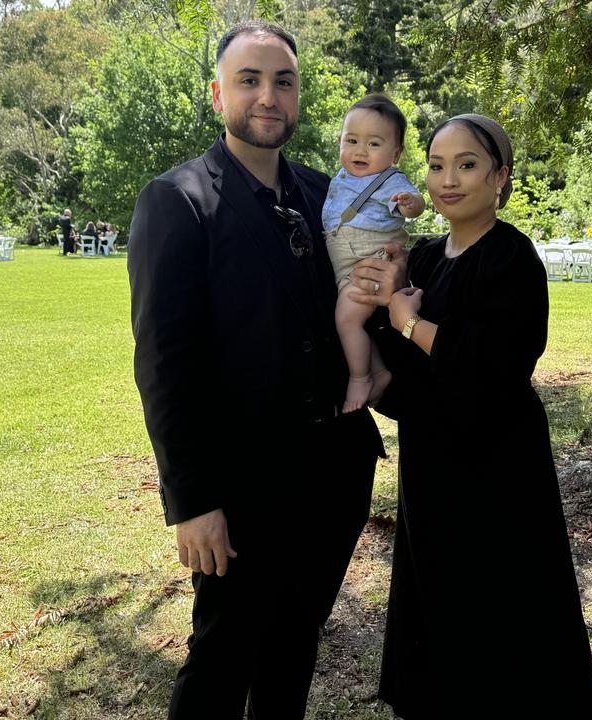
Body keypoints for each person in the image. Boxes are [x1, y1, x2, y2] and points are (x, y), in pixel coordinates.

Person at [127, 21, 391, 718]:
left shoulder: (326, 192)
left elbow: (367, 295)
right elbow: (165, 363)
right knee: (223, 652)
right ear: (219, 95)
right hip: (240, 487)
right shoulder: (179, 201)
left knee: (295, 643)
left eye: (283, 81)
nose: (268, 95)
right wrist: (191, 502)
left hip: (335, 471)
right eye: (250, 80)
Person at [368, 114, 592, 718]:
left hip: (497, 463)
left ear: (499, 177)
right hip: (433, 456)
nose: (449, 180)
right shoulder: (424, 255)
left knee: (499, 599)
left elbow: (492, 364)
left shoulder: (512, 258)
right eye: (438, 165)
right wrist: (382, 306)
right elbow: (401, 365)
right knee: (437, 589)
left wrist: (409, 321)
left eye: (467, 165)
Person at [322, 94, 426, 412]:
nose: (360, 151)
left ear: (395, 153)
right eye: (352, 140)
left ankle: (360, 377)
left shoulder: (388, 180)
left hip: (371, 259)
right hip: (347, 263)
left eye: (374, 144)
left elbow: (415, 201)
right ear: (340, 141)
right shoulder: (341, 177)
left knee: (346, 319)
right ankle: (379, 371)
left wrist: (411, 203)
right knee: (356, 321)